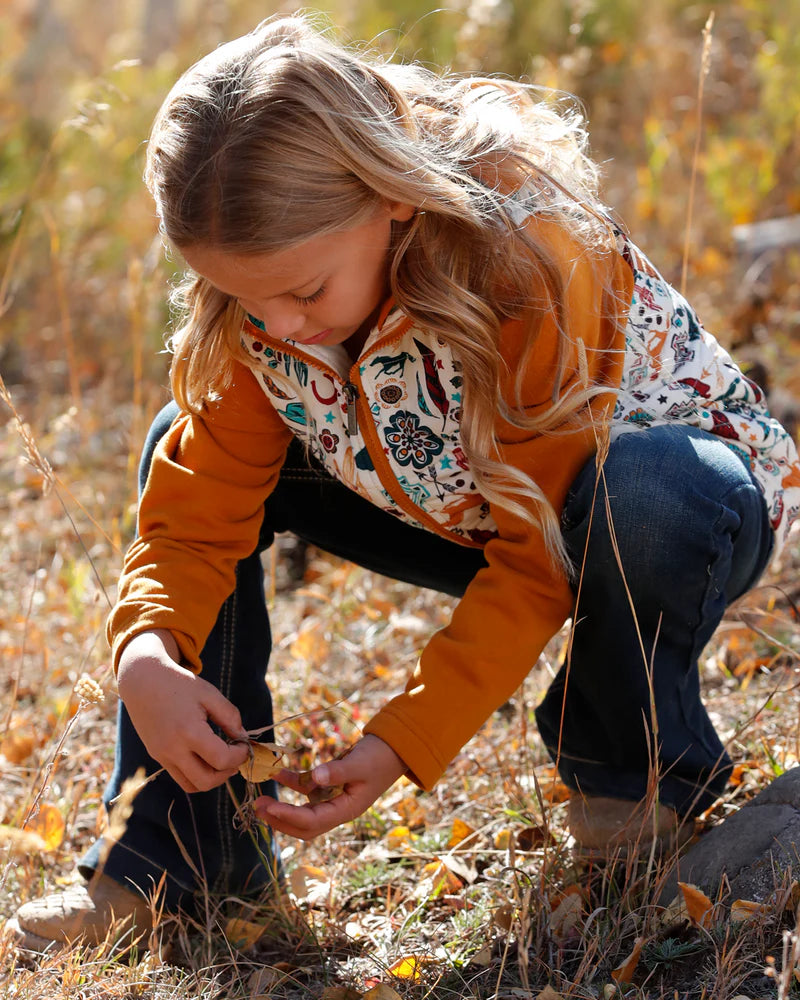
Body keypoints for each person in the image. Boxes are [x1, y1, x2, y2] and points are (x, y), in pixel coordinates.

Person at [10, 13, 800, 951]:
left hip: (660, 505)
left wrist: (399, 743)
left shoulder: (525, 256)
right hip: (452, 504)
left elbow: (541, 541)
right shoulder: (267, 303)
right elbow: (196, 514)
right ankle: (174, 865)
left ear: (391, 195)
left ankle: (631, 784)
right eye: (244, 297)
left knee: (648, 489)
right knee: (168, 443)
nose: (282, 325)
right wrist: (146, 650)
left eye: (304, 293)